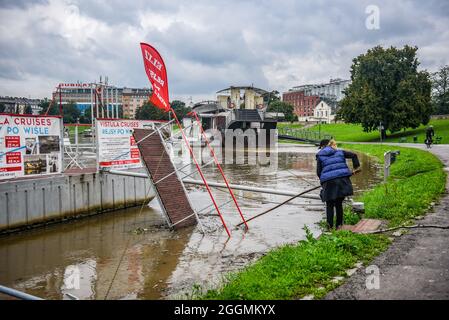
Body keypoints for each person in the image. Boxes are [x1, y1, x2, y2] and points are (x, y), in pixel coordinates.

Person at [316, 139, 361, 230]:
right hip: (342, 179)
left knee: (329, 205)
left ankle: (329, 228)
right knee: (339, 204)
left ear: (322, 147)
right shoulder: (340, 152)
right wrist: (355, 167)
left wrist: (323, 182)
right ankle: (339, 226)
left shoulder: (320, 155)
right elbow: (354, 155)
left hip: (328, 181)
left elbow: (319, 172)